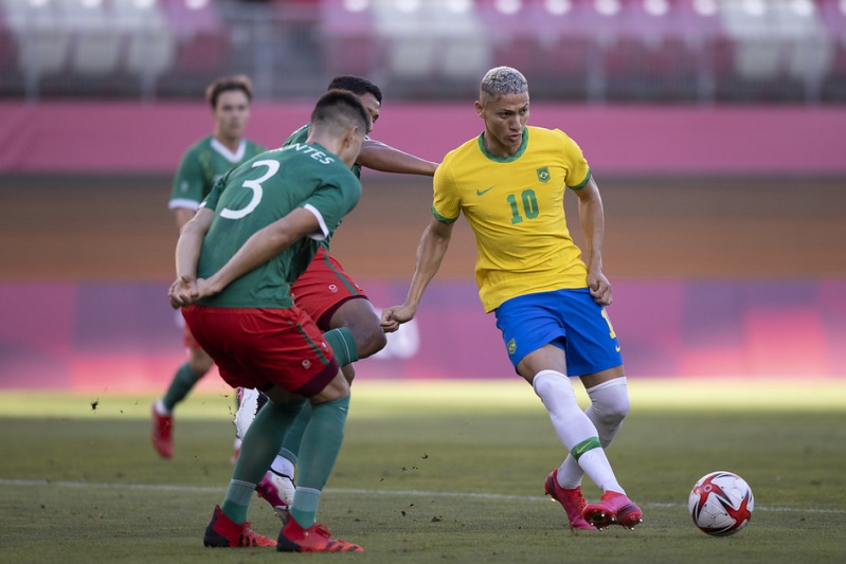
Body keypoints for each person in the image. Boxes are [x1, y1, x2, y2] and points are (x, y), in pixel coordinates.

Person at [379, 67, 643, 531]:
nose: (516, 123)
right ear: (480, 111)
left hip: (572, 285)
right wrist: (411, 301)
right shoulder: (456, 168)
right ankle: (615, 492)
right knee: (554, 387)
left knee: (615, 405)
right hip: (516, 296)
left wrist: (596, 264)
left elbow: (590, 196)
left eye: (523, 112)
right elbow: (437, 235)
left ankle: (565, 481)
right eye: (504, 115)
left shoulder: (558, 145)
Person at [168, 89, 370, 551]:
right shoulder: (340, 178)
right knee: (334, 389)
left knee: (288, 396)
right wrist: (218, 279)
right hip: (255, 308)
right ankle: (302, 526)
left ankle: (229, 521)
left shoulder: (250, 164)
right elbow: (281, 232)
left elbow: (193, 227)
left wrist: (187, 279)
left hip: (200, 314)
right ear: (352, 136)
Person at [234, 75, 439, 517]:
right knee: (365, 333)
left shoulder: (318, 149)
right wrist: (438, 170)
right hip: (295, 254)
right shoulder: (325, 140)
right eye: (364, 115)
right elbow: (367, 150)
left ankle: (265, 482)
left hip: (282, 257)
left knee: (338, 374)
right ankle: (264, 388)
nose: (368, 126)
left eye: (375, 119)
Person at [153, 75, 266, 460]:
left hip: (246, 271)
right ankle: (164, 408)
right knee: (202, 362)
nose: (235, 115)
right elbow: (187, 218)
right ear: (215, 113)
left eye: (241, 108)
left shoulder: (261, 156)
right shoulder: (198, 156)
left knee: (254, 352)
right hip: (205, 273)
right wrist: (198, 270)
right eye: (227, 108)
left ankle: (243, 438)